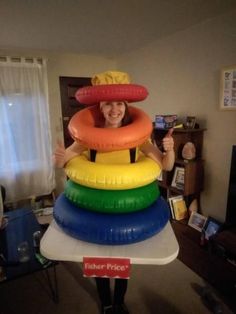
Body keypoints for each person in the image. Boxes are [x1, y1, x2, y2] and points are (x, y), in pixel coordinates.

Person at [54, 100, 175, 314]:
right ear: (100, 109)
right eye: (108, 104)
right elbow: (64, 162)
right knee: (99, 262)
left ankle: (119, 302)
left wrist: (170, 149)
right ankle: (106, 302)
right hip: (96, 213)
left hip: (126, 214)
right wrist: (59, 158)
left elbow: (165, 165)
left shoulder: (138, 139)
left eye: (119, 104)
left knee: (121, 264)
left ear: (126, 108)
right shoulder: (89, 138)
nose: (114, 110)